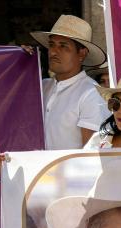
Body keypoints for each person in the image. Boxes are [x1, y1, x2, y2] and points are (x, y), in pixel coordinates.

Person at [29, 15, 108, 150]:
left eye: (63, 46)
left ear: (82, 54)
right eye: (52, 45)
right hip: (35, 170)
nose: (53, 52)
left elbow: (92, 154)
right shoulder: (42, 86)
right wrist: (20, 63)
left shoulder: (91, 94)